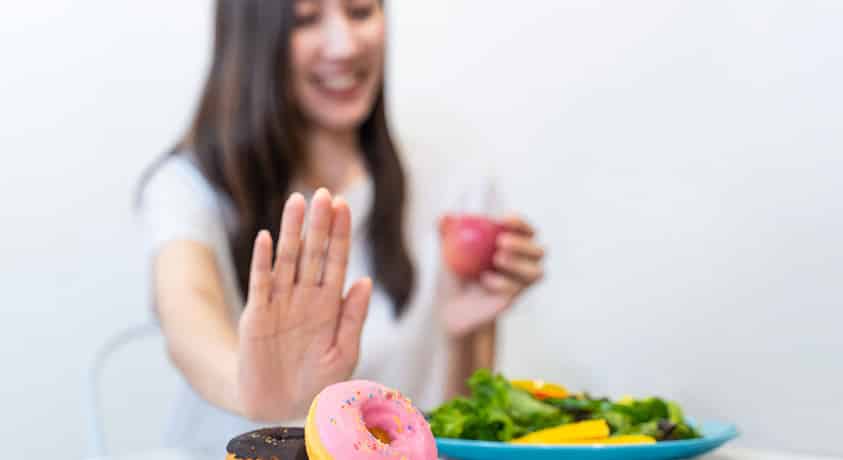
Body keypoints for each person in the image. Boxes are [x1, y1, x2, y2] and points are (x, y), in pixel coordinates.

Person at [138, 0, 545, 454]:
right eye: (305, 20)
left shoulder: (455, 185)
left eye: (360, 11)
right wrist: (250, 385)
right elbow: (187, 314)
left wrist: (462, 335)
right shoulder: (189, 186)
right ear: (251, 38)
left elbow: (456, 435)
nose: (345, 45)